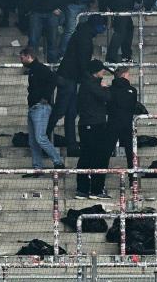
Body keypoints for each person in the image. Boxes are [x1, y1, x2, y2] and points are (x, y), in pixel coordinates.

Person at [47, 16, 107, 156]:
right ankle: (44, 135)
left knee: (71, 112)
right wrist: (89, 78)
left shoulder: (83, 33)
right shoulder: (84, 36)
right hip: (68, 78)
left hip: (71, 78)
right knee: (61, 110)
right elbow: (81, 61)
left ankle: (72, 146)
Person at [20, 47, 65, 175]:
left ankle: (58, 162)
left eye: (22, 57)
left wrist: (45, 97)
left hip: (40, 107)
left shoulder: (40, 68)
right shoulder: (33, 70)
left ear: (29, 56)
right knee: (33, 141)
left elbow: (53, 79)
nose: (21, 60)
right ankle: (37, 167)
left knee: (40, 138)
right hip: (34, 107)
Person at [75, 60, 112, 200]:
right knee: (96, 157)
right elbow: (107, 97)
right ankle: (94, 190)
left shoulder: (86, 83)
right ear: (95, 71)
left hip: (88, 124)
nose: (103, 72)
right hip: (94, 124)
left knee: (86, 156)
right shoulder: (91, 84)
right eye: (102, 70)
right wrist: (104, 87)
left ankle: (83, 189)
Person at [107, 67, 143, 172]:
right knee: (130, 153)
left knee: (106, 153)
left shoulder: (109, 90)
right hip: (127, 124)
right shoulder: (133, 90)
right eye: (128, 74)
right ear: (123, 75)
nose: (129, 76)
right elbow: (132, 107)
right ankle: (133, 180)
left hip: (112, 123)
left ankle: (99, 180)